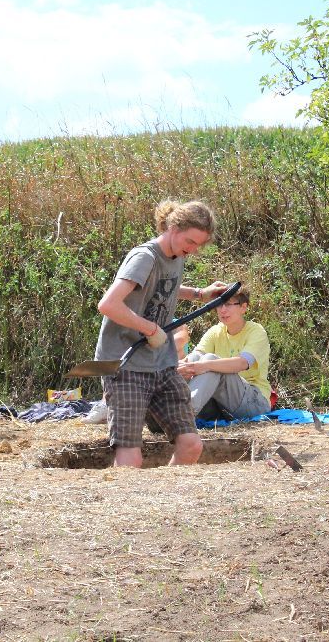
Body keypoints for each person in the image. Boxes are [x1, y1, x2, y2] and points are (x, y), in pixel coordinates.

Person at [95, 199, 226, 468]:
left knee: (191, 445)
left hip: (162, 364)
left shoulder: (175, 256)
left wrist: (199, 294)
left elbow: (162, 287)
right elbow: (108, 305)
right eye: (190, 242)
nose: (193, 250)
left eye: (199, 246)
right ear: (173, 228)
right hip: (125, 365)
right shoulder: (144, 257)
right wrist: (149, 328)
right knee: (130, 457)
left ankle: (164, 503)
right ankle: (129, 506)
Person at [177, 285, 272, 420]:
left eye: (228, 304)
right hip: (220, 405)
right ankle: (170, 406)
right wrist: (181, 366)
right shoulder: (216, 331)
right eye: (219, 304)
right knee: (194, 360)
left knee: (210, 360)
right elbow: (195, 357)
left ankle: (183, 413)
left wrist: (204, 366)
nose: (222, 310)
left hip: (254, 403)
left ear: (243, 307)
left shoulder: (256, 332)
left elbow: (242, 363)